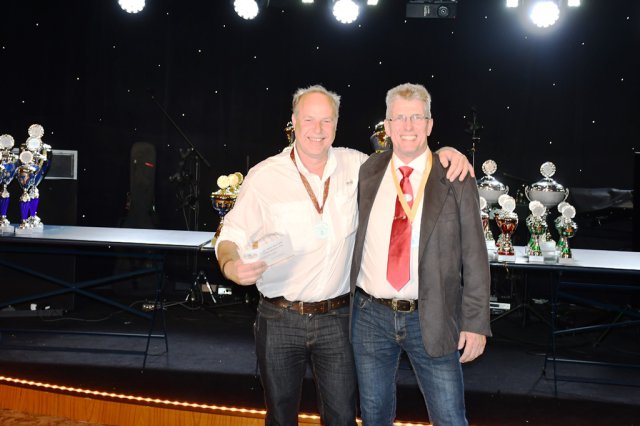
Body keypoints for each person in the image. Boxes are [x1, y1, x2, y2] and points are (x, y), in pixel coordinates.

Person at [215, 84, 473, 425]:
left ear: (336, 125)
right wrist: (230, 264)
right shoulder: (264, 176)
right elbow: (230, 234)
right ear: (294, 121)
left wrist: (446, 153)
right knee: (280, 415)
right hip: (279, 319)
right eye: (309, 119)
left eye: (327, 120)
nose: (318, 129)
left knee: (341, 416)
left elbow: (408, 157)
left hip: (338, 320)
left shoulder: (359, 166)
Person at [349, 83, 491, 426]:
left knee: (450, 418)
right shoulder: (368, 171)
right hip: (370, 316)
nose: (408, 126)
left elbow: (475, 255)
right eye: (399, 118)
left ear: (430, 124)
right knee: (374, 416)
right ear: (387, 126)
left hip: (433, 315)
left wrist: (475, 323)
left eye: (416, 117)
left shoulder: (455, 176)